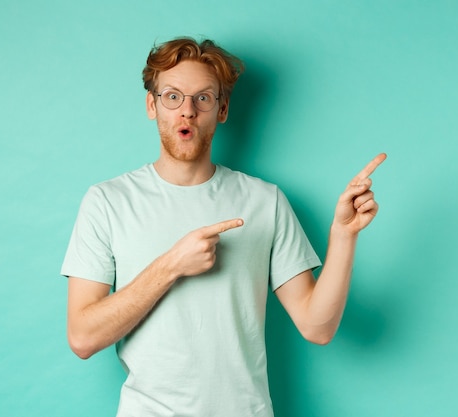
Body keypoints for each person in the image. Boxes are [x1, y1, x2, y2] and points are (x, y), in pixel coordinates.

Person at [61, 37, 386, 417]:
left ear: (222, 109)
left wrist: (344, 235)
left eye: (203, 98)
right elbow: (82, 337)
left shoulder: (265, 201)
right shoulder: (107, 202)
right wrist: (171, 266)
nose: (187, 111)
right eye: (172, 97)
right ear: (152, 105)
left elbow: (318, 327)